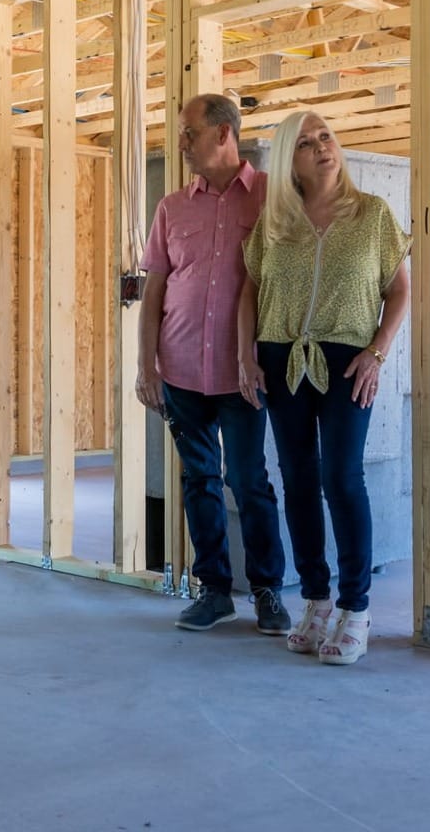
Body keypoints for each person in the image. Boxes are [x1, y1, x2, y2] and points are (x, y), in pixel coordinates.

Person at [237, 111, 412, 666]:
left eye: (326, 137)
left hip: (346, 360)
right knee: (297, 479)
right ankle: (315, 601)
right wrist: (246, 354)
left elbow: (400, 291)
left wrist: (377, 353)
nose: (321, 148)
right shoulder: (275, 223)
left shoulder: (372, 215)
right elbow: (250, 291)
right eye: (307, 143)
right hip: (280, 356)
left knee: (341, 478)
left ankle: (354, 608)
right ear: (291, 158)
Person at [137, 94, 291, 635]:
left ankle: (269, 591)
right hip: (179, 370)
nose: (180, 143)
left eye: (188, 133)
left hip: (243, 374)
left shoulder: (273, 198)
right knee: (198, 480)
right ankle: (214, 590)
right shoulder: (172, 207)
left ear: (223, 133)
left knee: (248, 481)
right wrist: (146, 364)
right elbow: (155, 285)